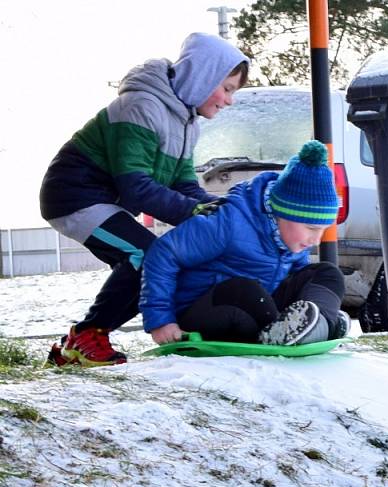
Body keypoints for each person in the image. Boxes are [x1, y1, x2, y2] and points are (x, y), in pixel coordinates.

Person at [41, 33, 249, 367]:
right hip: (73, 194)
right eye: (226, 88)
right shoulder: (141, 106)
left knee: (157, 263)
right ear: (202, 76)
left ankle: (83, 343)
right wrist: (194, 210)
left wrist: (220, 208)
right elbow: (137, 186)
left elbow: (184, 185)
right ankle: (86, 336)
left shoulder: (187, 122)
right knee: (147, 255)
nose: (229, 101)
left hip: (106, 200)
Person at [139, 140, 350, 347]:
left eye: (322, 230)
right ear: (282, 213)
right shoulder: (230, 222)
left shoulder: (291, 239)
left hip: (257, 311)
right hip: (203, 311)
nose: (316, 239)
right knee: (245, 289)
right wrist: (162, 320)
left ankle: (321, 324)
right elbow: (164, 252)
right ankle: (287, 332)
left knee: (327, 272)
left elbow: (300, 279)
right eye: (311, 228)